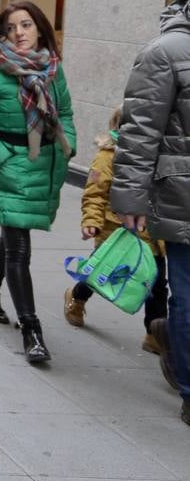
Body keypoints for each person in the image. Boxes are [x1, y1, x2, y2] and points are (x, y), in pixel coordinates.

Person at [0, 0, 75, 364]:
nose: (19, 33)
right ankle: (32, 330)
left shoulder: (52, 69)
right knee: (19, 248)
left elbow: (65, 112)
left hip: (42, 163)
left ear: (40, 28)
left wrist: (68, 145)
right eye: (11, 27)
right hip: (8, 165)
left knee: (14, 232)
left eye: (26, 25)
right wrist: (3, 157)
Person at [110, 0, 190, 425]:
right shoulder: (165, 53)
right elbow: (139, 132)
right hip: (183, 195)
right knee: (189, 294)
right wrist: (130, 198)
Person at [65, 109, 172, 367]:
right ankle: (76, 297)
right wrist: (91, 221)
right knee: (100, 276)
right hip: (117, 233)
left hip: (154, 237)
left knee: (157, 284)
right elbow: (94, 194)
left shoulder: (160, 157)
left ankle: (153, 332)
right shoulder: (109, 156)